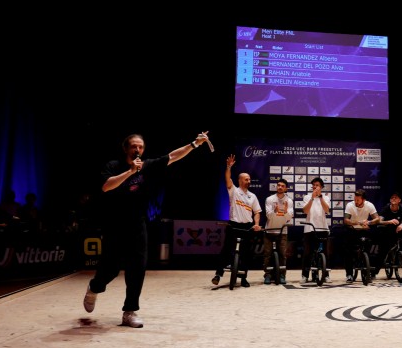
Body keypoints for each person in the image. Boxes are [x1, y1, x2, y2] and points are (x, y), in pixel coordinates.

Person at [83, 130, 211, 328]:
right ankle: (94, 287)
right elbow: (106, 187)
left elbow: (173, 156)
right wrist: (130, 172)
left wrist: (194, 144)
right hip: (115, 224)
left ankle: (130, 311)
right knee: (110, 269)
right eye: (134, 146)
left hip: (138, 223)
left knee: (137, 268)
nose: (137, 149)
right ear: (126, 148)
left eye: (140, 147)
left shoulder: (148, 166)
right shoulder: (113, 166)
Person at [211, 154, 263, 288]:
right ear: (240, 181)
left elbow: (257, 212)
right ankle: (218, 274)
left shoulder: (253, 196)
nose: (248, 181)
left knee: (246, 254)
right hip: (233, 225)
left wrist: (256, 224)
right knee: (226, 250)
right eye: (246, 179)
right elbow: (227, 178)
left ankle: (243, 278)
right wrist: (229, 166)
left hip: (247, 227)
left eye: (249, 179)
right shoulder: (234, 191)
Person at [343, 189, 380, 283]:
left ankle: (367, 271)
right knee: (348, 252)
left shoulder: (369, 205)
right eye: (355, 199)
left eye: (358, 200)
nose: (356, 201)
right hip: (352, 230)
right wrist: (357, 222)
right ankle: (349, 274)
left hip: (364, 230)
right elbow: (346, 220)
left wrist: (369, 222)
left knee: (367, 251)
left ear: (363, 200)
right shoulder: (350, 205)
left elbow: (377, 219)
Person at [376, 192, 402, 278]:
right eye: (392, 198)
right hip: (386, 232)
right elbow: (378, 221)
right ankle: (374, 272)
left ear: (399, 200)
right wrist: (389, 221)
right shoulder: (386, 209)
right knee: (383, 251)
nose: (394, 199)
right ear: (390, 200)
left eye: (396, 197)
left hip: (398, 232)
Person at [301, 176, 332, 283]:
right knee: (308, 253)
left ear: (321, 187)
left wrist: (320, 197)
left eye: (317, 185)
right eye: (313, 185)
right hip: (310, 228)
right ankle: (305, 275)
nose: (315, 187)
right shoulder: (307, 197)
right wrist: (312, 198)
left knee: (325, 252)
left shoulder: (326, 198)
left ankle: (326, 274)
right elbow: (305, 211)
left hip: (323, 228)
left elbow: (327, 210)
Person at [263, 178, 293, 284]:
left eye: (282, 186)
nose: (280, 187)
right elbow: (268, 216)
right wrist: (274, 211)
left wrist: (285, 211)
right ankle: (267, 275)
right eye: (278, 185)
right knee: (267, 255)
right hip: (269, 230)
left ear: (286, 188)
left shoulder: (289, 201)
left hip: (282, 231)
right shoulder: (270, 199)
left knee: (282, 255)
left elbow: (289, 217)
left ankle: (282, 275)